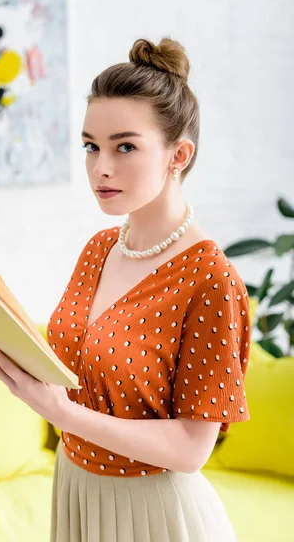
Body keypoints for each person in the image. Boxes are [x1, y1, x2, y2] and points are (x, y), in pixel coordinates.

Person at [47, 36, 251, 542]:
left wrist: (59, 412)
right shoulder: (99, 248)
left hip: (154, 515)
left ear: (178, 154)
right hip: (75, 487)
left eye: (125, 147)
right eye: (91, 146)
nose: (101, 168)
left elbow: (190, 449)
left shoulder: (211, 280)